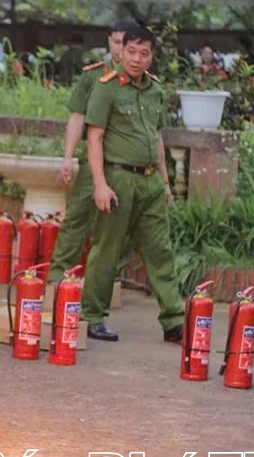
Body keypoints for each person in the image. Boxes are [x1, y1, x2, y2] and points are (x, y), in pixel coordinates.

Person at [80, 26, 185, 343]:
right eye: (131, 52)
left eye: (144, 53)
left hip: (151, 182)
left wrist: (165, 182)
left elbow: (157, 137)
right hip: (118, 180)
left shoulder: (156, 90)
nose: (137, 59)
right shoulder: (106, 88)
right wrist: (100, 185)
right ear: (121, 51)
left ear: (152, 56)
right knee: (107, 249)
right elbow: (94, 138)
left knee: (161, 252)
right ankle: (93, 317)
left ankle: (174, 321)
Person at [46, 19, 132, 286]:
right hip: (93, 159)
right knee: (77, 218)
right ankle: (58, 277)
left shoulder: (140, 81)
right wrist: (67, 158)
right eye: (116, 42)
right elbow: (77, 118)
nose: (120, 49)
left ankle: (105, 280)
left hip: (125, 163)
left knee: (119, 224)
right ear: (109, 42)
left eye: (126, 43)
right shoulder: (92, 76)